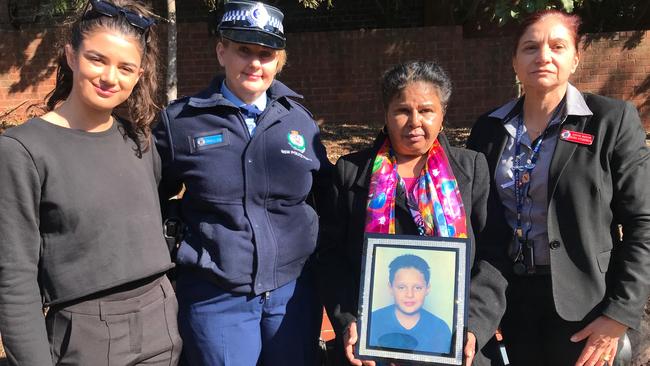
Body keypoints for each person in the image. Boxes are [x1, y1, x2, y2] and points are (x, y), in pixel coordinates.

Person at [0, 1, 182, 365]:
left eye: (125, 67)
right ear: (71, 55)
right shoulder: (23, 151)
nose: (110, 77)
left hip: (162, 320)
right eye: (97, 59)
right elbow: (14, 279)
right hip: (87, 334)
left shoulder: (140, 141)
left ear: (139, 73)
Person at [467, 9, 650, 366]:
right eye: (531, 47)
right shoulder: (488, 129)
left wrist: (619, 314)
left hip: (589, 308)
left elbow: (644, 223)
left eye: (558, 46)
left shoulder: (611, 122)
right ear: (515, 62)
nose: (544, 56)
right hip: (510, 305)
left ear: (576, 59)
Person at [153, 1, 331, 365]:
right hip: (217, 298)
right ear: (222, 51)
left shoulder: (300, 122)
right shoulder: (181, 123)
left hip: (292, 294)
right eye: (243, 50)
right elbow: (152, 195)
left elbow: (323, 194)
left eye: (266, 54)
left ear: (278, 61)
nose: (254, 63)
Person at [316, 60, 507, 366]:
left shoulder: (471, 169)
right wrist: (350, 321)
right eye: (402, 110)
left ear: (442, 115)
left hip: (452, 345)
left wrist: (472, 327)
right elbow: (331, 258)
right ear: (386, 116)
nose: (414, 121)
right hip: (372, 346)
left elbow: (494, 254)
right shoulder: (351, 173)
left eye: (426, 110)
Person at [369, 254, 452, 354]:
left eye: (417, 288)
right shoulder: (371, 322)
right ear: (390, 288)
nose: (409, 294)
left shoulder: (440, 329)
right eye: (401, 287)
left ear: (427, 289)